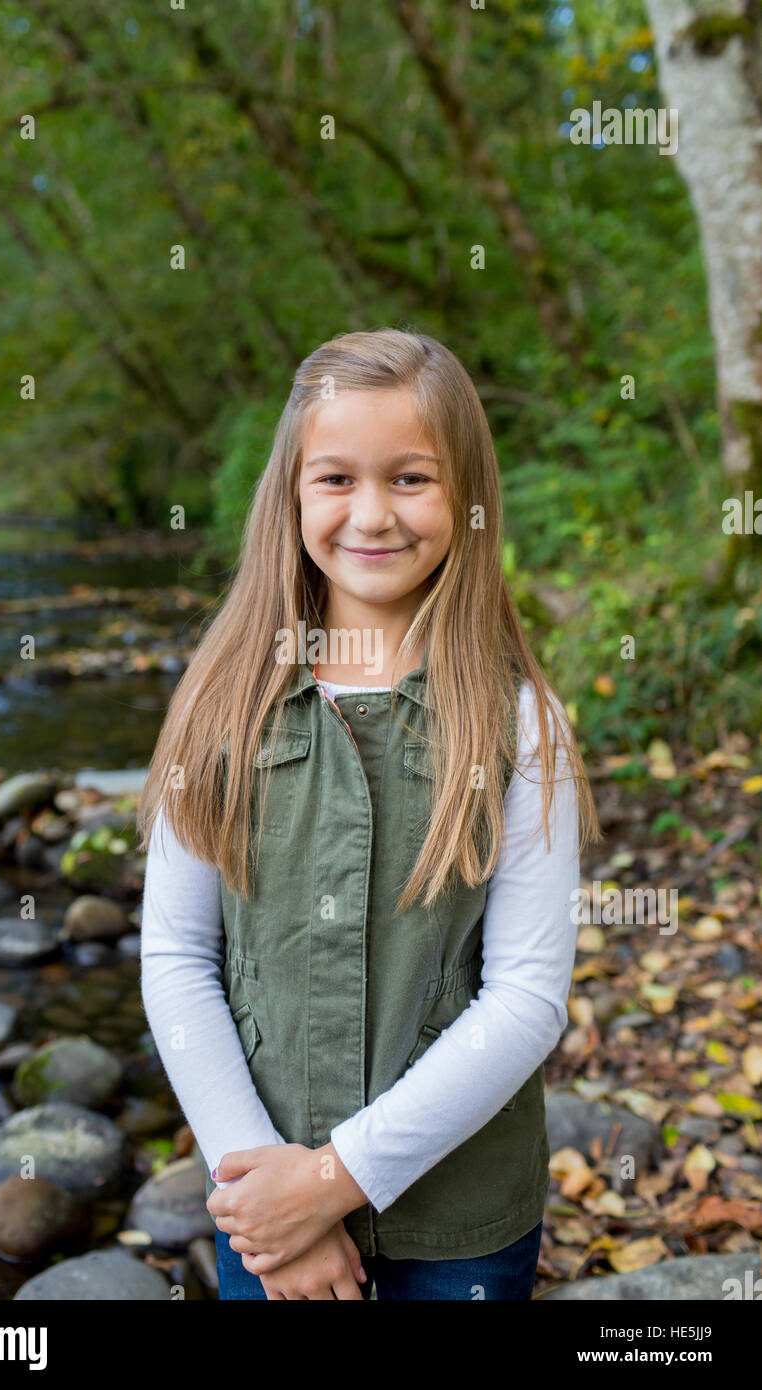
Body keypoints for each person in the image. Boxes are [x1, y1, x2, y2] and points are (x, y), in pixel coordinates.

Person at [138, 327, 599, 1300]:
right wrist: (271, 1197)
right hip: (258, 1197)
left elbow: (524, 998)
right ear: (292, 496)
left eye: (410, 478)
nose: (372, 513)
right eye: (336, 479)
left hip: (456, 1226)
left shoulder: (519, 722)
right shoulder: (219, 704)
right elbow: (177, 959)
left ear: (465, 493)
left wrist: (331, 1182)